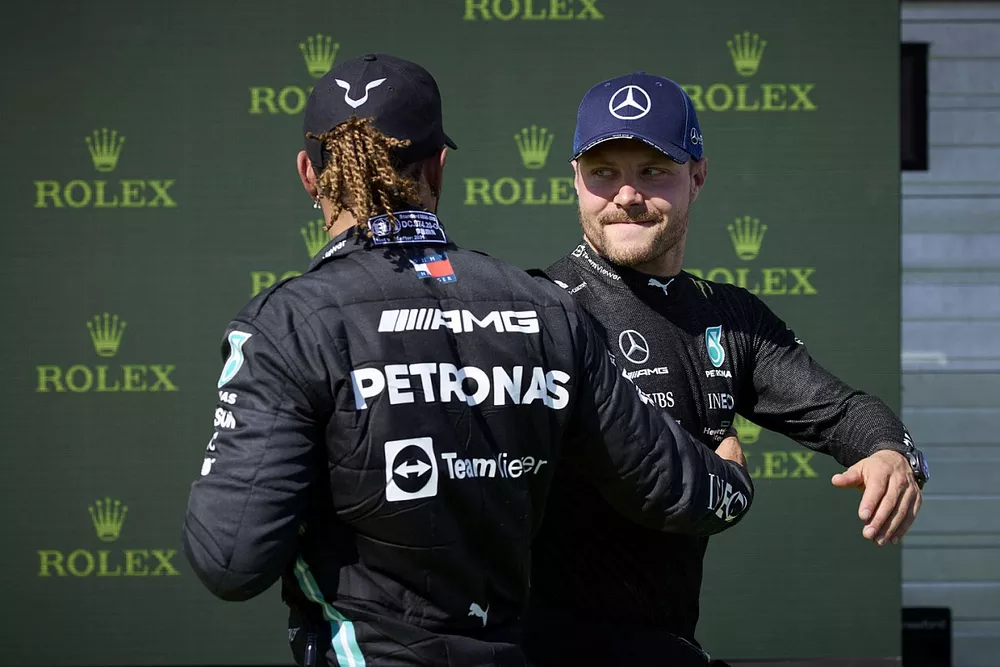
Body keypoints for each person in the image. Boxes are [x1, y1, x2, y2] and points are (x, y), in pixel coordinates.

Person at [180, 55, 755, 667]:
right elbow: (682, 494)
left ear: (307, 174)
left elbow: (230, 560)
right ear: (439, 166)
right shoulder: (547, 309)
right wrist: (732, 477)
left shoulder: (289, 322)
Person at [522, 71, 931, 666]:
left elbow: (842, 411)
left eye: (653, 171)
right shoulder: (535, 308)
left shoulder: (727, 316)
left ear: (698, 177)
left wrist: (892, 452)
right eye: (604, 173)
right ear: (576, 181)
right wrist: (709, 482)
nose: (626, 196)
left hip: (663, 644)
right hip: (538, 647)